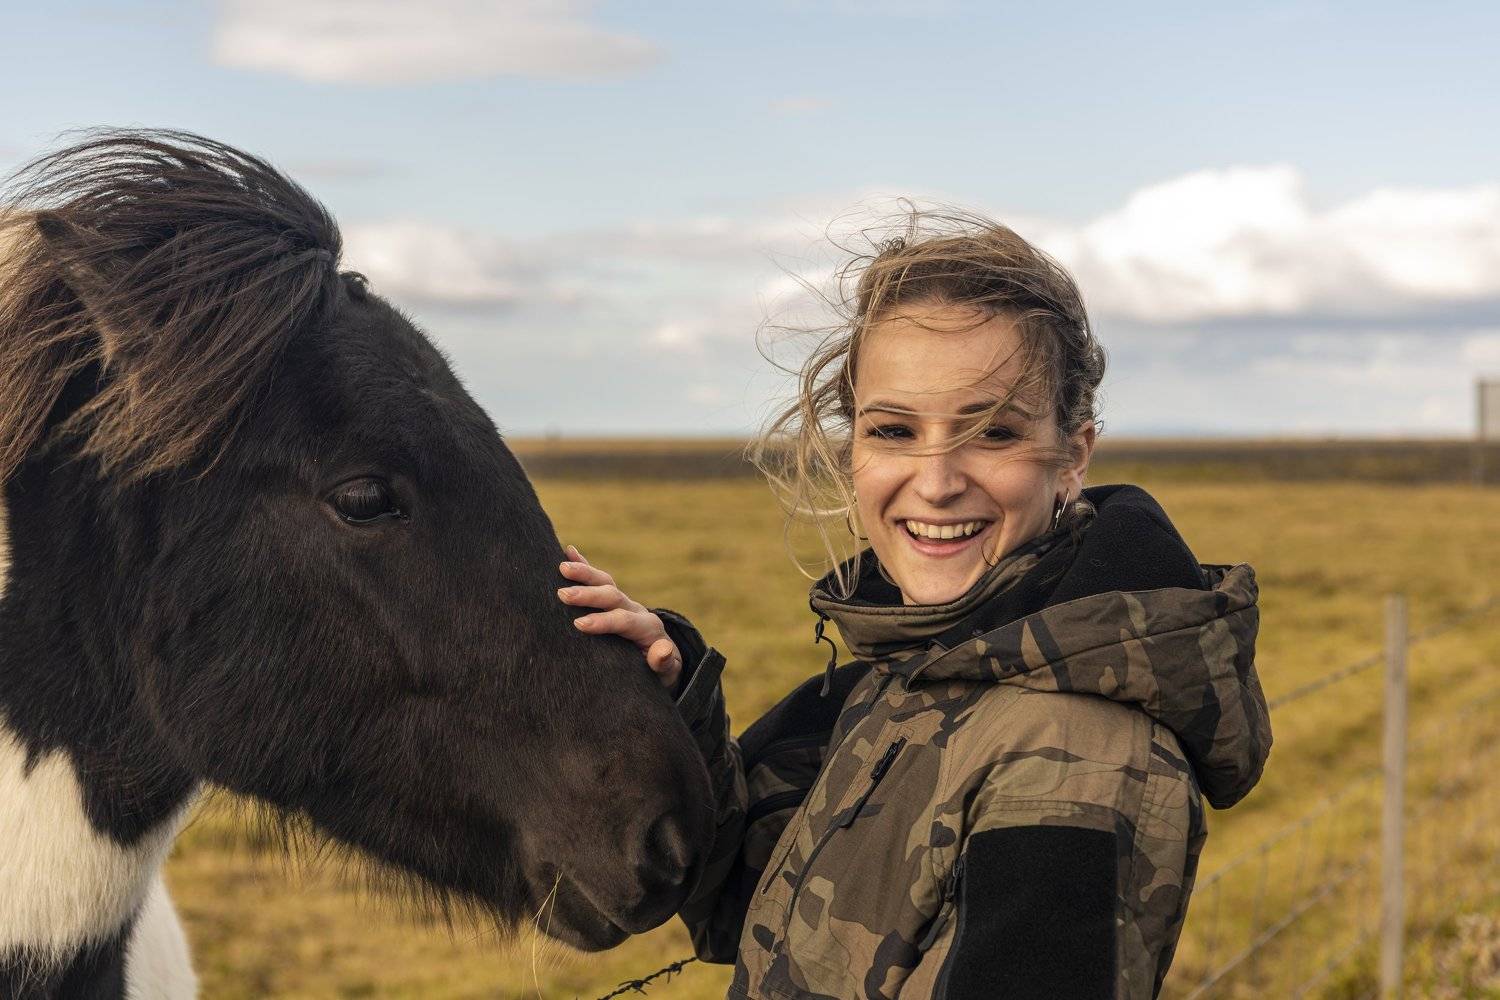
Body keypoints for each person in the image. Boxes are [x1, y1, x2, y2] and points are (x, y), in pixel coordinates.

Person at [556, 208, 1273, 999]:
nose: (935, 482)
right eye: (895, 431)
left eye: (993, 433)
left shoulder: (1073, 757)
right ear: (852, 449)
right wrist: (665, 696)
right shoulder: (928, 672)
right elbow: (750, 909)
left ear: (1073, 456)